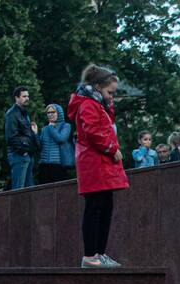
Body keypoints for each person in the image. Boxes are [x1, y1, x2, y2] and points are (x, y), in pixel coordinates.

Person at [67, 63, 128, 269]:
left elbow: (105, 123)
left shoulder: (97, 103)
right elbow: (92, 131)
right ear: (99, 87)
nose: (112, 96)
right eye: (110, 92)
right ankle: (90, 255)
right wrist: (111, 148)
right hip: (93, 163)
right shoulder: (87, 104)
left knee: (105, 206)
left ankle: (99, 253)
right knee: (95, 208)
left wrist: (107, 104)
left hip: (100, 164)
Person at [5, 85, 38, 190]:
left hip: (26, 154)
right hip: (19, 155)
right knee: (18, 190)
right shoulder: (11, 114)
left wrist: (34, 134)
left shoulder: (24, 113)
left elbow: (25, 134)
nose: (27, 98)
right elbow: (11, 137)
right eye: (24, 96)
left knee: (29, 190)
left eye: (28, 96)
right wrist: (23, 151)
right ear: (16, 97)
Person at [37, 104, 74, 184]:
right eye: (48, 113)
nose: (50, 114)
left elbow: (60, 139)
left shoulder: (66, 126)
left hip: (59, 165)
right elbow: (40, 146)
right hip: (44, 165)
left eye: (53, 112)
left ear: (59, 113)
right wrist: (35, 134)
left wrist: (51, 127)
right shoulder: (44, 129)